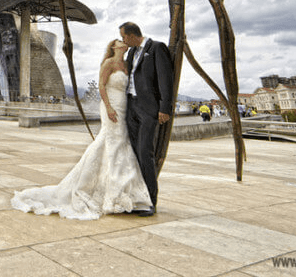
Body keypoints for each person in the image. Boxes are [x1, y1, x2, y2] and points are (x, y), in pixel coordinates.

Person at [11, 39, 153, 220]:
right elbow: (102, 85)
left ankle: (123, 190)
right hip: (111, 106)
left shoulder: (126, 63)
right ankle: (113, 191)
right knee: (113, 141)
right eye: (120, 41)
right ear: (114, 46)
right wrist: (108, 107)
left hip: (125, 106)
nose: (124, 42)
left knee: (120, 143)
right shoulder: (109, 63)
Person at [119, 21, 174, 216]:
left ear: (133, 35)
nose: (123, 40)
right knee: (133, 154)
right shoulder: (132, 52)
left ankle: (151, 201)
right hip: (131, 107)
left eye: (124, 36)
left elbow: (166, 78)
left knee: (145, 153)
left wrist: (165, 107)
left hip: (148, 108)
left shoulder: (157, 48)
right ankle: (136, 198)